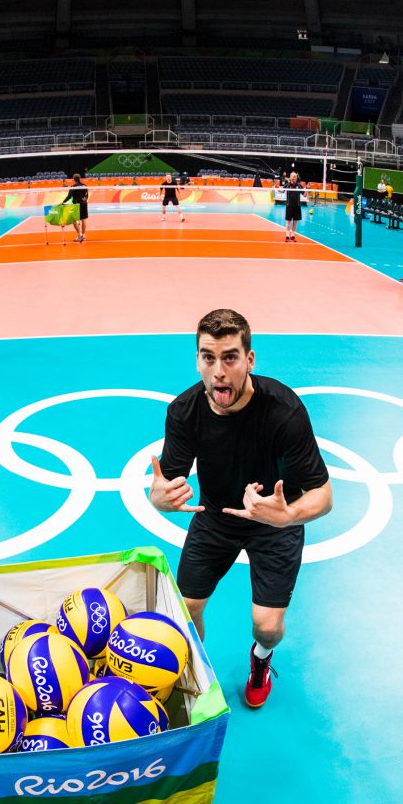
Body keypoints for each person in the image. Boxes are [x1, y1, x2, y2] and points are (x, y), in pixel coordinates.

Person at [150, 308, 332, 709]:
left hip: (274, 520)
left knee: (267, 627)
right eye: (208, 357)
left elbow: (323, 494)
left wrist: (288, 515)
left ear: (249, 360)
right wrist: (157, 499)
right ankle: (195, 672)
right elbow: (165, 485)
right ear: (197, 359)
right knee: (189, 606)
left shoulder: (283, 411)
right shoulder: (184, 413)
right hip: (216, 516)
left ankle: (262, 661)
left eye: (230, 357)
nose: (218, 371)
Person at [61, 173, 89, 242]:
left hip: (76, 204)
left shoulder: (73, 186)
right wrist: (85, 199)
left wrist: (63, 202)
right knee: (83, 219)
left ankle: (79, 235)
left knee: (73, 220)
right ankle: (83, 235)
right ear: (79, 178)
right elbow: (86, 195)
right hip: (84, 204)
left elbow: (69, 196)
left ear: (74, 179)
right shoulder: (84, 185)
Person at [282, 172, 304, 241]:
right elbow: (282, 191)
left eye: (295, 176)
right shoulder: (287, 185)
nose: (294, 178)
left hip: (297, 206)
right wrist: (277, 189)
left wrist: (307, 190)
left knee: (295, 221)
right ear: (290, 177)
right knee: (288, 221)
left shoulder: (299, 186)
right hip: (289, 206)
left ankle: (293, 235)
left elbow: (304, 194)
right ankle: (287, 236)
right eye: (293, 176)